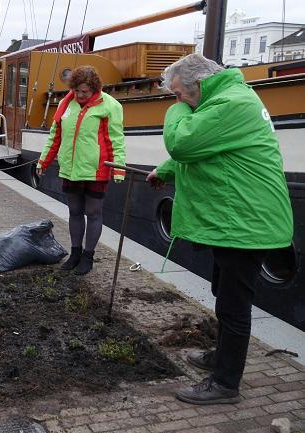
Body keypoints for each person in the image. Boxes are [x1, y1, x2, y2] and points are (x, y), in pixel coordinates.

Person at [146, 53, 294, 405]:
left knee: (234, 304)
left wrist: (177, 110)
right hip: (236, 219)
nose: (178, 100)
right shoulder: (229, 100)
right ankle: (221, 357)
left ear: (199, 85)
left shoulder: (231, 102)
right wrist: (165, 171)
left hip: (245, 223)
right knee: (223, 294)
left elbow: (184, 142)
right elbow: (209, 148)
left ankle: (226, 383)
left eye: (180, 93)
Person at [36, 65, 126, 275]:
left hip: (96, 170)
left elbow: (116, 139)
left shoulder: (110, 105)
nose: (80, 95)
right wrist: (43, 161)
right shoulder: (67, 104)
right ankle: (75, 253)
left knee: (93, 213)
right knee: (74, 211)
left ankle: (88, 256)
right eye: (76, 91)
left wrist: (119, 168)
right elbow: (55, 136)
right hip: (71, 168)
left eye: (84, 92)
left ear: (94, 89)